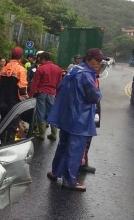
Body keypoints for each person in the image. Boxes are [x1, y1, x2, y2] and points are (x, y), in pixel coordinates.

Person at [45, 48, 106, 191]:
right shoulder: (87, 75)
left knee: (63, 145)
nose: (98, 63)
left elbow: (60, 88)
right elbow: (94, 96)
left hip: (67, 115)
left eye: (100, 61)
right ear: (88, 59)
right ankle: (70, 180)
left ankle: (55, 172)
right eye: (96, 60)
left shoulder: (74, 70)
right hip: (80, 117)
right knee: (75, 149)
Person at [28, 51, 63, 141]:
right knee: (52, 112)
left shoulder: (41, 69)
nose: (38, 59)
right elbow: (60, 84)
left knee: (41, 112)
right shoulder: (58, 69)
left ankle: (42, 134)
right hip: (52, 93)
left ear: (43, 59)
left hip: (41, 93)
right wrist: (58, 95)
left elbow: (35, 83)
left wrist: (31, 95)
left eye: (39, 58)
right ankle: (54, 134)